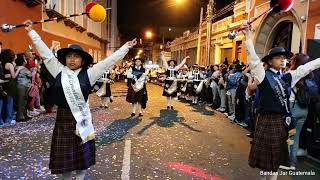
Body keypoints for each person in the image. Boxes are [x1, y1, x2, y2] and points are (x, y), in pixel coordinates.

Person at [23, 20, 137, 179]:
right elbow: (46, 54)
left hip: (81, 120)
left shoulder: (90, 74)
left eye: (76, 57)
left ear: (83, 60)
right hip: (63, 120)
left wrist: (126, 47)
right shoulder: (59, 71)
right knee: (65, 166)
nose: (72, 60)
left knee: (82, 161)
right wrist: (32, 32)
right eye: (69, 56)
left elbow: (108, 62)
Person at [244, 22, 320, 180]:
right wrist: (247, 35)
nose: (283, 60)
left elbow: (306, 68)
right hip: (266, 120)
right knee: (267, 162)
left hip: (281, 122)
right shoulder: (263, 75)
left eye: (284, 58)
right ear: (270, 61)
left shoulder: (287, 77)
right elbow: (253, 58)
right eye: (278, 57)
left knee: (275, 161)